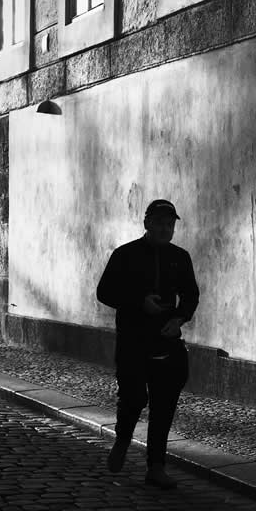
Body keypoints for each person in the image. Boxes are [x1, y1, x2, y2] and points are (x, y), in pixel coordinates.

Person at [97, 199, 200, 488]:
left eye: (170, 224)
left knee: (164, 404)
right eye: (160, 223)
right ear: (147, 224)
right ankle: (123, 439)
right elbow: (105, 292)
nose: (166, 229)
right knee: (132, 398)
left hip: (166, 339)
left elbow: (191, 294)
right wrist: (139, 302)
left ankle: (156, 466)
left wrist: (179, 319)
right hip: (132, 339)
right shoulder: (125, 254)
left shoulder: (180, 257)